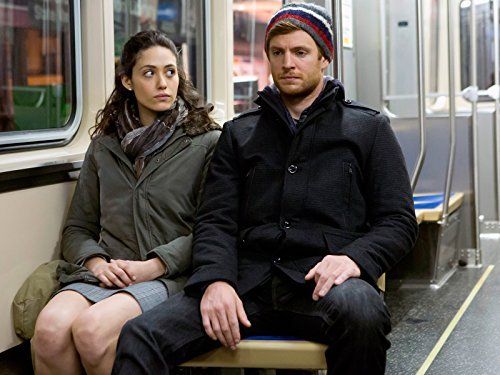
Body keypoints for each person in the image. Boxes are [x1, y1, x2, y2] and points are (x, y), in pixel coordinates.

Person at [113, 3, 419, 374]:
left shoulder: (367, 129)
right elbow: (216, 220)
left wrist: (353, 260)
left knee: (364, 314)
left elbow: (398, 222)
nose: (288, 62)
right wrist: (216, 279)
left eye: (300, 52)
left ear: (325, 58)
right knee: (140, 336)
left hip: (321, 285)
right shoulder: (240, 133)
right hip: (247, 285)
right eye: (278, 53)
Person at [31, 30, 220, 375]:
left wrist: (154, 265)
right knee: (49, 331)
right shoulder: (104, 147)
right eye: (149, 73)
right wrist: (96, 263)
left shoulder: (205, 142)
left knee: (91, 331)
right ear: (128, 81)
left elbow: (213, 230)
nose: (163, 83)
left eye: (170, 72)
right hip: (107, 274)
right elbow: (78, 227)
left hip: (170, 275)